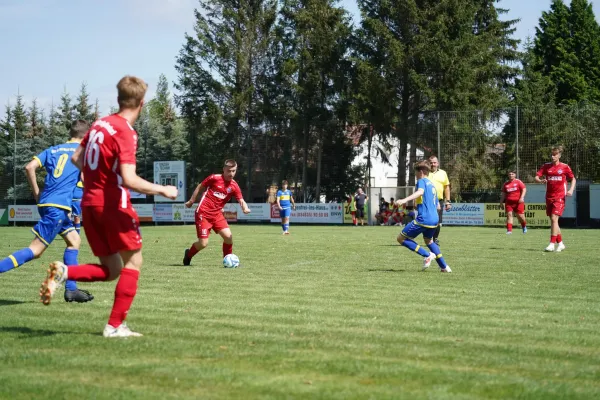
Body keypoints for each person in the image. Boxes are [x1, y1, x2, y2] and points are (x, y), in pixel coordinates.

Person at [39, 76, 178, 338]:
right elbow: (129, 179)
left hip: (89, 205)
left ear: (118, 99)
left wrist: (95, 177)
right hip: (113, 205)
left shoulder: (99, 125)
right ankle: (114, 326)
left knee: (112, 269)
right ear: (141, 102)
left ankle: (64, 272)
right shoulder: (126, 131)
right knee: (134, 262)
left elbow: (77, 158)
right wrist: (163, 189)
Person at [0, 120, 94, 303]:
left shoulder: (53, 149)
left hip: (49, 205)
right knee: (35, 250)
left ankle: (71, 289)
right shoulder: (81, 153)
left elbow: (29, 167)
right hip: (57, 208)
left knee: (74, 241)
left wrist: (36, 193)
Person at [182, 160, 251, 266]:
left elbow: (241, 199)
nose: (231, 173)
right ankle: (188, 255)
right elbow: (200, 186)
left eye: (233, 171)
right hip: (203, 213)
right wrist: (191, 201)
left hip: (217, 214)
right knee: (203, 243)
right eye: (229, 171)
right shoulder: (214, 178)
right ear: (224, 169)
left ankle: (228, 260)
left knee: (228, 237)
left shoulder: (234, 186)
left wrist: (245, 208)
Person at [395, 160, 452, 273]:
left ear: (421, 172)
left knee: (401, 238)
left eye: (415, 173)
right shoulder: (432, 185)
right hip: (434, 219)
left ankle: (427, 255)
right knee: (429, 241)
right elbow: (438, 207)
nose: (415, 176)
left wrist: (404, 200)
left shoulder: (421, 181)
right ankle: (444, 267)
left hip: (424, 219)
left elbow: (420, 192)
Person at [535, 145, 576, 252]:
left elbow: (573, 179)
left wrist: (571, 190)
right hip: (549, 197)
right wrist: (540, 181)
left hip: (560, 197)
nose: (552, 157)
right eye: (552, 155)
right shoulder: (546, 166)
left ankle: (552, 244)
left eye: (555, 155)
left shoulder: (565, 167)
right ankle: (561, 243)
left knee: (554, 219)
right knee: (554, 221)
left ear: (559, 155)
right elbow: (537, 177)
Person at [428, 155, 451, 244]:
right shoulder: (425, 173)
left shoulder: (443, 173)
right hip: (427, 201)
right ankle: (428, 238)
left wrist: (448, 201)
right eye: (431, 163)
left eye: (434, 162)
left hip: (439, 200)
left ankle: (435, 238)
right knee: (427, 220)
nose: (433, 164)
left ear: (438, 163)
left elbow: (446, 187)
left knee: (437, 221)